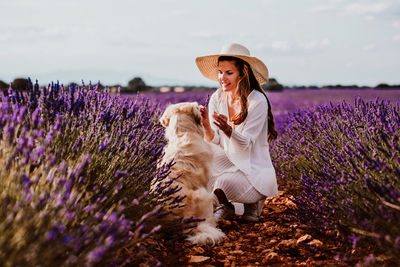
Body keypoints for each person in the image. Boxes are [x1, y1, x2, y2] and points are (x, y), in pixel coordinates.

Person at [195, 43, 278, 222]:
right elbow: (215, 142)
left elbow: (246, 144)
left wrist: (228, 129)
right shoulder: (217, 97)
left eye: (228, 73)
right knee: (201, 162)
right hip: (230, 162)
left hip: (253, 169)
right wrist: (207, 126)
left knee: (222, 183)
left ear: (243, 73)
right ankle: (225, 206)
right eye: (220, 72)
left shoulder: (257, 101)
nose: (222, 78)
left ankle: (245, 203)